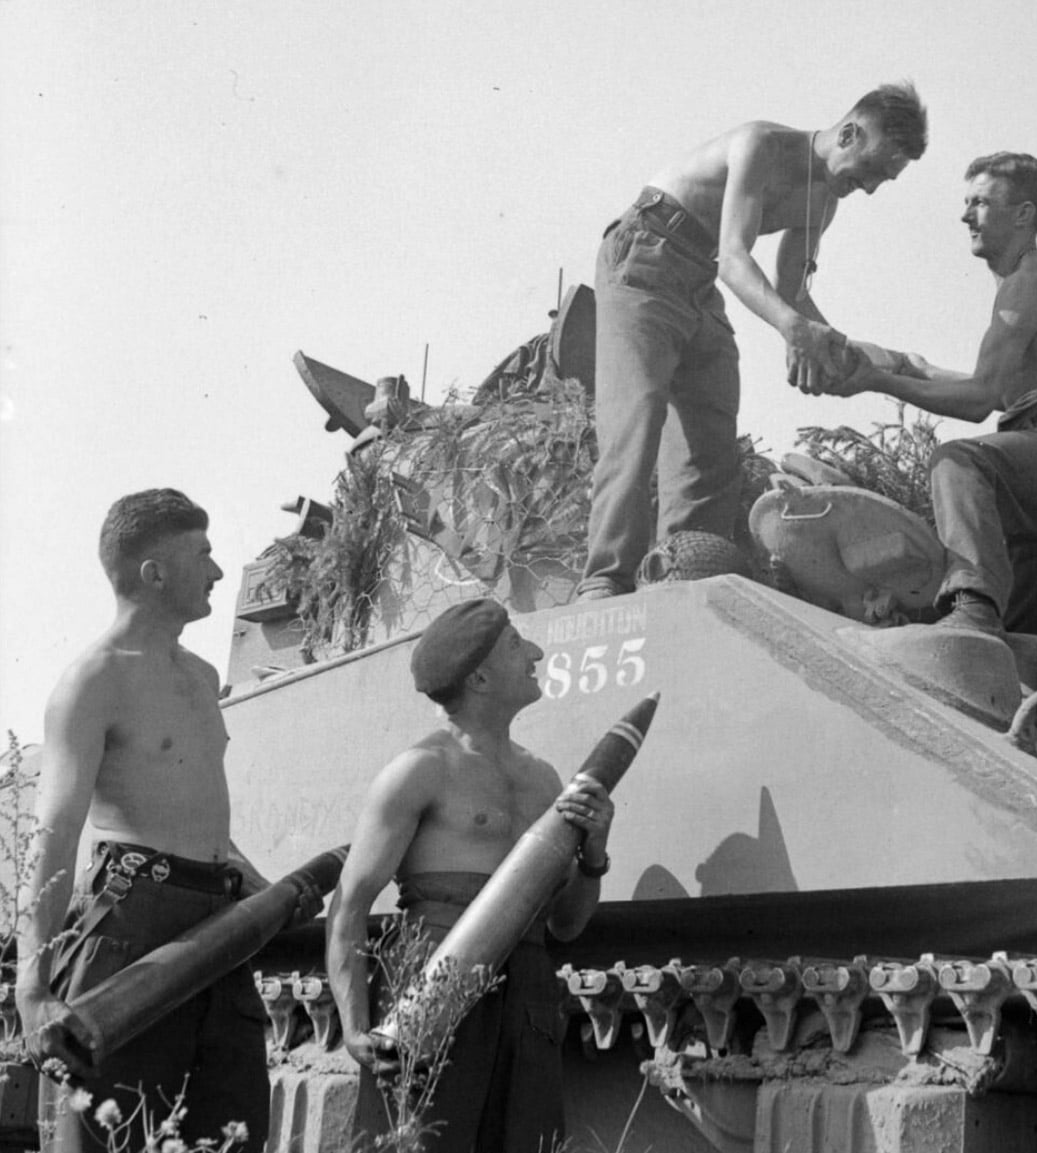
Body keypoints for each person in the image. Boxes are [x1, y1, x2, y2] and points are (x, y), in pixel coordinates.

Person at [575, 83, 928, 600]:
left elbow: (793, 294)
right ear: (850, 133)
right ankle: (605, 579)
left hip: (698, 283)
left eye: (884, 180)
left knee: (712, 428)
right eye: (874, 169)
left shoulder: (824, 203)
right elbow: (735, 259)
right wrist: (794, 329)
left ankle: (685, 572)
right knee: (639, 413)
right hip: (646, 251)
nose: (872, 187)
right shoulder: (760, 145)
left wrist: (838, 350)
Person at [15, 489, 275, 1152]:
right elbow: (55, 833)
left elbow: (199, 819)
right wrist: (32, 985)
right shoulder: (93, 680)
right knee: (112, 1135)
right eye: (203, 553)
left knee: (233, 1137)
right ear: (153, 573)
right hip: (130, 929)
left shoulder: (201, 674)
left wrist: (264, 893)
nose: (218, 571)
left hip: (217, 927)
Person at [326, 598, 615, 1153]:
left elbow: (566, 925)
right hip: (434, 980)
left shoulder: (543, 779)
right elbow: (351, 905)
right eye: (515, 645)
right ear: (480, 676)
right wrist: (355, 1024)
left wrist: (593, 855)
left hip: (526, 987)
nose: (535, 652)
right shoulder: (421, 770)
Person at [823, 152, 1037, 638]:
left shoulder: (1032, 281)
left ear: (1023, 214)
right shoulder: (1033, 284)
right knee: (1032, 641)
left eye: (980, 202)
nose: (965, 216)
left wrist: (875, 382)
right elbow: (1002, 393)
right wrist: (905, 365)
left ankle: (972, 604)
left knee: (958, 464)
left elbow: (979, 400)